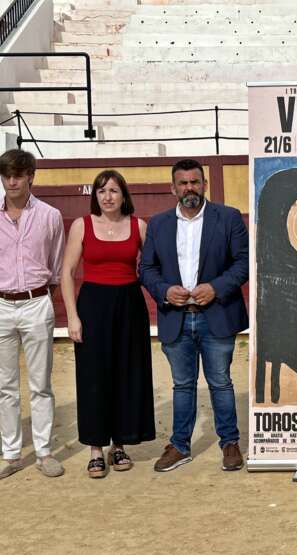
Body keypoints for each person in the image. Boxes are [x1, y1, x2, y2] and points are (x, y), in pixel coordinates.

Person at [140, 159, 249, 473]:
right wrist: (164, 290)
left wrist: (216, 288)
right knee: (182, 384)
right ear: (173, 188)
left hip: (216, 313)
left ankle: (229, 442)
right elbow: (146, 269)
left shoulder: (228, 217)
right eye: (183, 183)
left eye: (195, 182)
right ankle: (180, 445)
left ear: (205, 185)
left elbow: (243, 262)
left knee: (221, 382)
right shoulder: (159, 224)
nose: (190, 188)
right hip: (176, 316)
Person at [0, 149, 66, 481]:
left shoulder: (50, 216)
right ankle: (11, 454)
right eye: (6, 175)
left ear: (31, 176)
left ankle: (43, 452)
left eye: (18, 175)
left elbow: (56, 265)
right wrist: (4, 290)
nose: (12, 181)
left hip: (36, 301)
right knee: (6, 386)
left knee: (41, 383)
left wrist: (39, 295)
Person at [60, 169, 154, 478]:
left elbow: (153, 266)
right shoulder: (82, 225)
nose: (107, 196)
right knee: (93, 376)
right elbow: (67, 273)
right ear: (95, 196)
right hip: (93, 306)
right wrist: (72, 316)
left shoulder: (138, 226)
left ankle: (120, 444)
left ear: (124, 195)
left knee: (127, 373)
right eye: (101, 191)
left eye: (113, 190)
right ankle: (96, 449)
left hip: (129, 304)